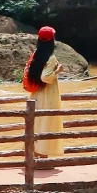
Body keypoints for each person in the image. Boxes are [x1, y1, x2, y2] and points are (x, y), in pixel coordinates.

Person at [22, 24, 63, 160]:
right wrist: (58, 71)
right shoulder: (50, 58)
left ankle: (34, 156)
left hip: (36, 94)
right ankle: (42, 158)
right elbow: (45, 77)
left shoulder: (36, 54)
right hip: (48, 96)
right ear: (52, 41)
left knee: (38, 124)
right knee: (47, 124)